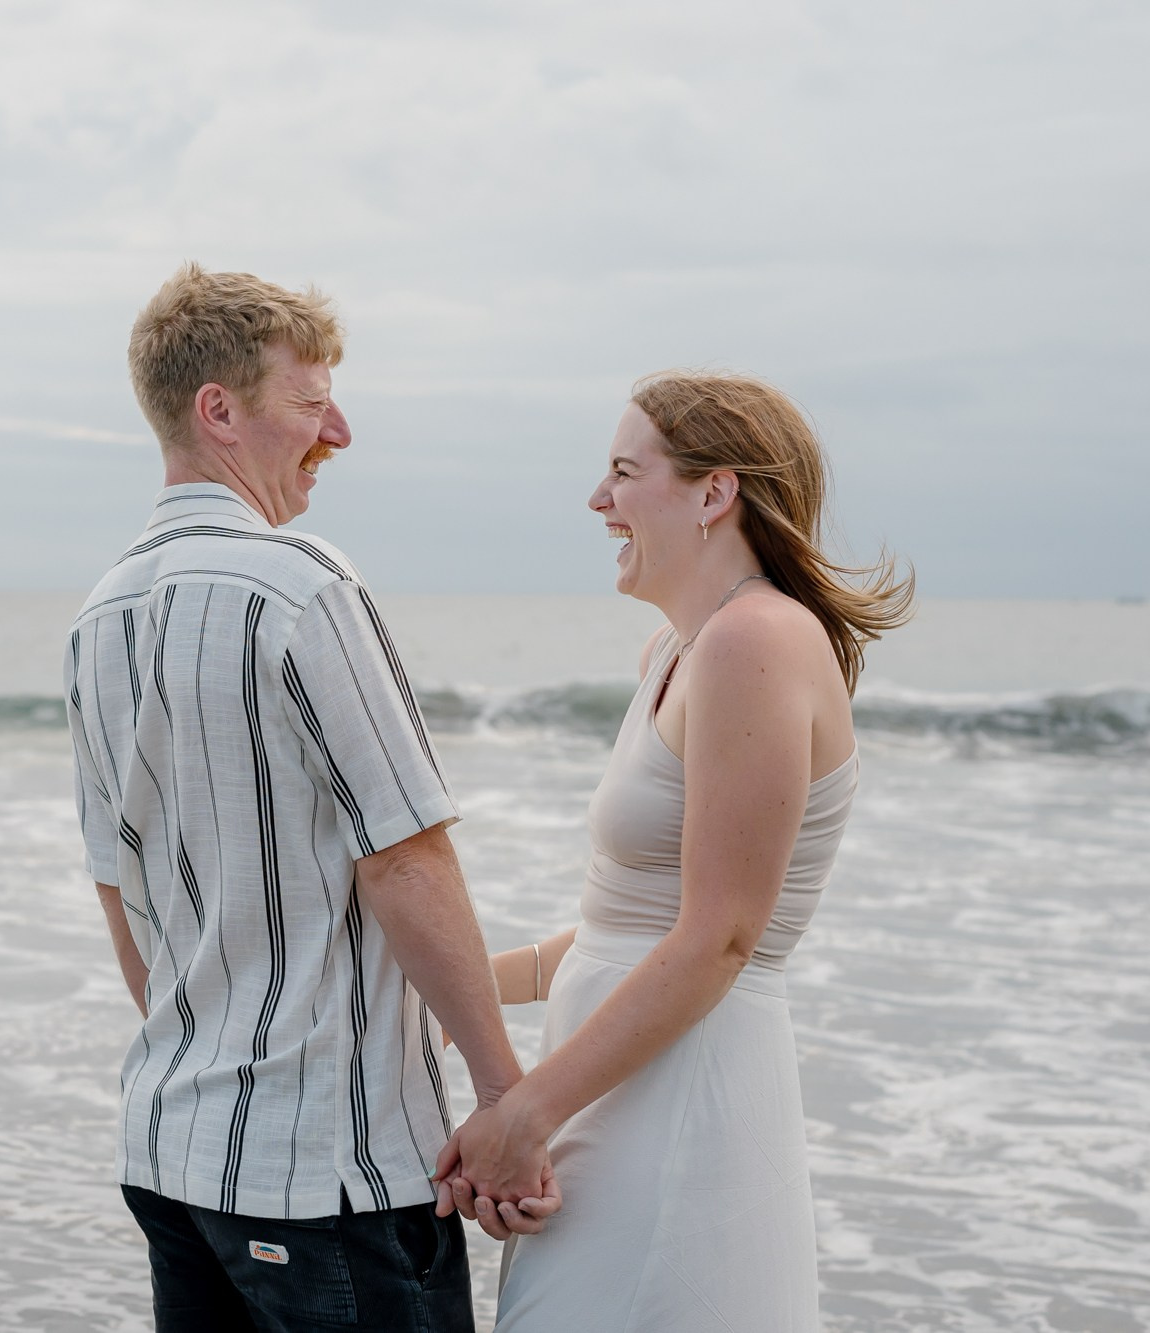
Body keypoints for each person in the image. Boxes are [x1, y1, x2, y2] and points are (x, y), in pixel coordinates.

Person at [64, 263, 558, 1333]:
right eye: (308, 400)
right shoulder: (299, 588)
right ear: (219, 412)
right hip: (324, 1172)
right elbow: (404, 859)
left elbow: (121, 890)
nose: (337, 429)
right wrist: (502, 1094)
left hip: (171, 1151)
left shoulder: (97, 617)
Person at [450, 373, 914, 1330]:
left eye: (624, 472)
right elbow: (617, 933)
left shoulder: (757, 642)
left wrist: (525, 1114)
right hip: (614, 1096)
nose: (597, 500)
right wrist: (433, 979)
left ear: (714, 493)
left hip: (685, 1103)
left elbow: (719, 941)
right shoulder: (678, 648)